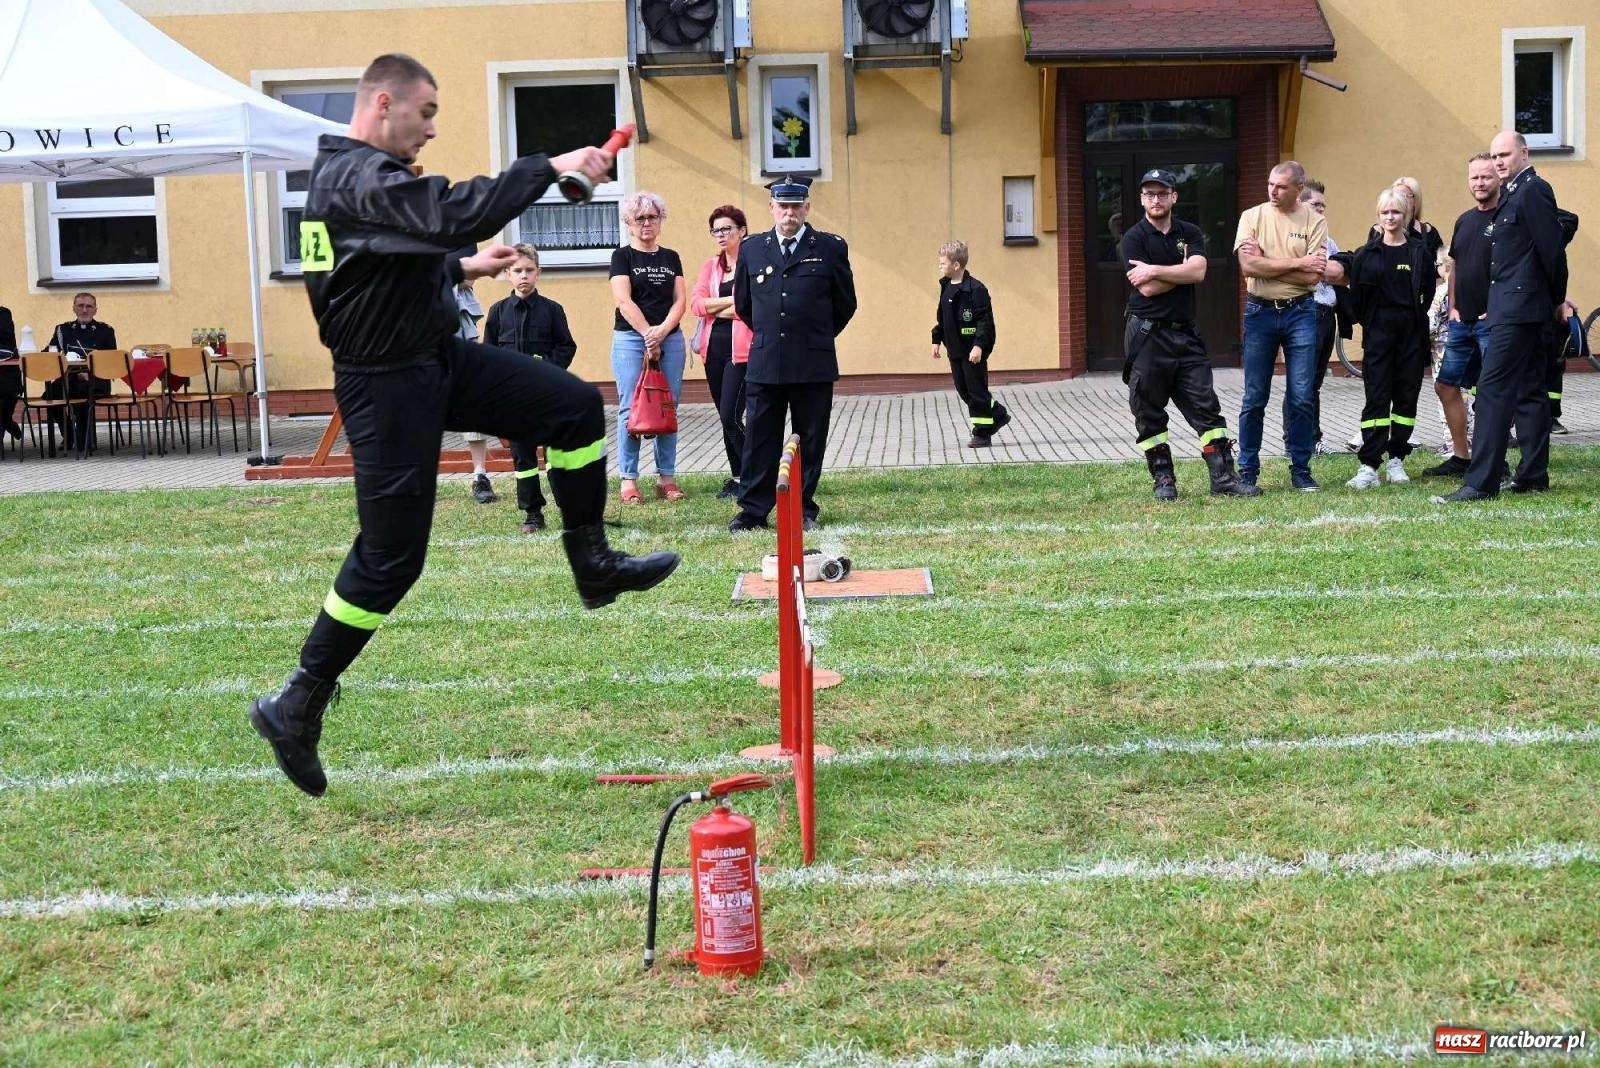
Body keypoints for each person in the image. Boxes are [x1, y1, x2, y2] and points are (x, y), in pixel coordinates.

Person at [248, 53, 679, 797]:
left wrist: (458, 270)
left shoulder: (351, 183)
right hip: (385, 386)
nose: (430, 131)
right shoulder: (356, 177)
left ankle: (592, 564)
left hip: (433, 356)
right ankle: (297, 702)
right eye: (425, 115)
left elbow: (354, 269)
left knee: (574, 409)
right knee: (391, 561)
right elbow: (445, 211)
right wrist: (547, 163)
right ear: (383, 104)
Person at [1437, 130, 1569, 502]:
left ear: (1524, 153)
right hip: (1510, 307)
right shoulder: (1513, 192)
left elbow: (1552, 252)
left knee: (1493, 391)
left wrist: (1555, 301)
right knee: (1528, 391)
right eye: (1494, 156)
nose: (1498, 162)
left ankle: (1481, 483)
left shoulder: (1533, 190)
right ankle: (1532, 475)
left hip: (1520, 309)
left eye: (1505, 155)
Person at [1117, 169, 1256, 500]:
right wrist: (1181, 273)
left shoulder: (1190, 232)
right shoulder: (1132, 239)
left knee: (1206, 407)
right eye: (1149, 194)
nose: (1155, 199)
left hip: (1186, 336)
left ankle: (1223, 478)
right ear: (1141, 199)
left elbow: (1200, 270)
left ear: (1173, 197)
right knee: (1148, 410)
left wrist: (1157, 268)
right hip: (1148, 335)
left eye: (1162, 193)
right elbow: (1147, 288)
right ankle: (1164, 479)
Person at [729, 177, 857, 532]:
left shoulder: (830, 248)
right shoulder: (752, 248)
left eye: (795, 206)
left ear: (807, 208)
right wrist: (775, 336)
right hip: (766, 360)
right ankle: (753, 510)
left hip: (812, 361)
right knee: (759, 437)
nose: (789, 212)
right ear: (771, 208)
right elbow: (744, 304)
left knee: (810, 437)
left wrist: (812, 336)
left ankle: (801, 508)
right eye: (782, 206)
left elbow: (845, 304)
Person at [1331, 189, 1437, 489]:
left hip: (1411, 335)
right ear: (1378, 216)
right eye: (1385, 213)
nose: (1390, 218)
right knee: (1377, 400)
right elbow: (1358, 299)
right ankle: (1369, 465)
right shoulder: (1366, 254)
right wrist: (1374, 324)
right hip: (1378, 335)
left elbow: (1427, 293)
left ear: (1405, 216)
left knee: (1406, 398)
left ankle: (1397, 461)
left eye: (1396, 213)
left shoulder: (1419, 252)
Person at [1234, 161, 1328, 491]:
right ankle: (1247, 470)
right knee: (1254, 396)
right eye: (1271, 184)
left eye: (1282, 186)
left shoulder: (1315, 221)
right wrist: (1298, 262)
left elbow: (1314, 276)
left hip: (1300, 312)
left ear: (1298, 189)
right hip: (1259, 312)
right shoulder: (1252, 216)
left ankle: (1301, 468)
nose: (1273, 191)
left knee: (1301, 395)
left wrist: (1267, 266)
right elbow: (1248, 264)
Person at [482, 243, 577, 532]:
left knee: (555, 456)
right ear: (507, 274)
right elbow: (488, 354)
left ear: (539, 273)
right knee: (523, 458)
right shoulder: (498, 312)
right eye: (517, 271)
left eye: (529, 270)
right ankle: (533, 513)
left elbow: (566, 347)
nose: (524, 276)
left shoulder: (552, 310)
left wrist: (544, 366)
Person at [610, 191, 688, 504]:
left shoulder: (671, 258)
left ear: (660, 221)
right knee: (631, 408)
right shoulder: (623, 257)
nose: (646, 223)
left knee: (667, 407)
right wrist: (647, 335)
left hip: (670, 338)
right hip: (631, 340)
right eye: (639, 218)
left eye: (652, 217)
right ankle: (628, 480)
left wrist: (663, 332)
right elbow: (622, 300)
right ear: (629, 223)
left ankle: (666, 478)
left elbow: (680, 300)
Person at [1425, 154, 1499, 478]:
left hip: (1491, 324)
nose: (1479, 183)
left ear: (1498, 178)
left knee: (1491, 393)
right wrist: (1453, 306)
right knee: (1445, 386)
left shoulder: (1508, 219)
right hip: (1461, 323)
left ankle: (1494, 461)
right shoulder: (1464, 221)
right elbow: (1454, 268)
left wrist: (1496, 309)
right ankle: (1462, 457)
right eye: (1474, 178)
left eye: (1485, 177)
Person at [690, 205, 752, 499]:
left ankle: (754, 476)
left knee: (731, 415)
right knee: (724, 417)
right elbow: (697, 306)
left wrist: (719, 305)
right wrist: (731, 303)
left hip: (741, 353)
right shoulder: (710, 267)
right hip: (712, 350)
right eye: (716, 229)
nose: (721, 235)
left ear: (742, 231)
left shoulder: (753, 264)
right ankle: (739, 477)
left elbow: (750, 306)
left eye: (726, 228)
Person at [930, 239, 1010, 449]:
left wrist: (979, 346)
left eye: (942, 263)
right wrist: (936, 339)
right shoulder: (946, 287)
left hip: (972, 350)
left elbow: (985, 321)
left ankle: (982, 433)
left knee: (976, 391)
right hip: (954, 350)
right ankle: (998, 414)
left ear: (956, 265)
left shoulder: (976, 289)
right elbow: (943, 318)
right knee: (964, 389)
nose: (939, 266)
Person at [1294, 180, 1348, 456]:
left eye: (1323, 206)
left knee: (1315, 381)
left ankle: (1313, 438)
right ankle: (1298, 441)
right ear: (1300, 204)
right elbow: (1304, 272)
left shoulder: (1327, 240)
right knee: (1301, 381)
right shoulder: (1293, 237)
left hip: (1328, 314)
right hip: (1307, 312)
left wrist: (1322, 268)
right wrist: (1318, 268)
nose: (1321, 210)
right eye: (1316, 204)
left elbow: (1339, 272)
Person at [450, 258, 498, 505]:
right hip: (416, 322)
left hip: (455, 323)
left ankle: (480, 475)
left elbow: (469, 276)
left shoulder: (457, 230)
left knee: (471, 402)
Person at [45, 292, 117, 448]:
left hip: (96, 380)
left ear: (95, 310)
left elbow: (111, 361)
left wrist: (91, 374)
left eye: (89, 306)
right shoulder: (62, 330)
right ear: (74, 308)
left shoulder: (106, 331)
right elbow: (50, 353)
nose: (84, 310)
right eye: (80, 306)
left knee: (82, 391)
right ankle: (70, 435)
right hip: (68, 378)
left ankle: (85, 440)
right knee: (49, 395)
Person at [0, 305, 19, 442]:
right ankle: (7, 423)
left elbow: (5, 335)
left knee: (4, 396)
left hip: (7, 374)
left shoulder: (3, 314)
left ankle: (6, 421)